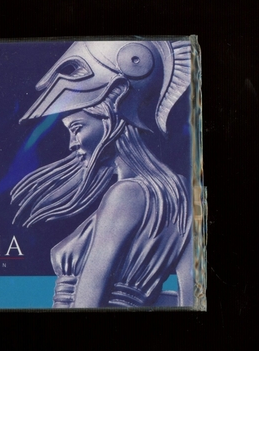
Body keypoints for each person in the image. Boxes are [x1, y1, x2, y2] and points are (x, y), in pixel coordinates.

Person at [11, 40, 195, 308]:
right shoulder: (180, 191)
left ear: (111, 114)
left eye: (77, 128)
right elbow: (192, 294)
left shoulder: (125, 193)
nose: (72, 144)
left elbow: (88, 297)